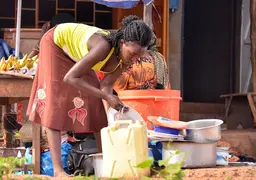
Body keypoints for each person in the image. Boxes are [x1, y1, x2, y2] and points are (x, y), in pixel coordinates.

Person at [26, 15, 152, 177]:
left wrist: (114, 114)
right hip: (55, 43)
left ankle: (107, 164)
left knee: (96, 106)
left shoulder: (126, 59)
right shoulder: (103, 47)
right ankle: (58, 171)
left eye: (138, 56)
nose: (135, 59)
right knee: (55, 103)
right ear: (123, 43)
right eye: (133, 54)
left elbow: (105, 87)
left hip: (75, 53)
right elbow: (70, 78)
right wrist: (108, 98)